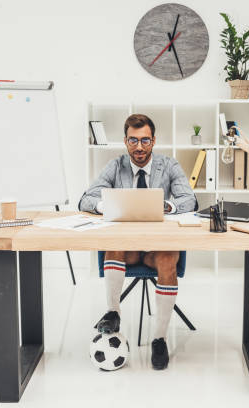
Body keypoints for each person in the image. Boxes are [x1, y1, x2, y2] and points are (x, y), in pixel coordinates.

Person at [79, 113, 196, 370]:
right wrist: (105, 204)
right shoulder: (115, 165)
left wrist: (165, 205)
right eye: (133, 140)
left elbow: (190, 199)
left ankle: (159, 339)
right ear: (125, 141)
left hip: (158, 248)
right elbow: (85, 199)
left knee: (167, 258)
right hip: (128, 247)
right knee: (115, 244)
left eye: (145, 140)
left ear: (153, 140)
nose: (139, 147)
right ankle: (113, 312)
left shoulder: (169, 165)